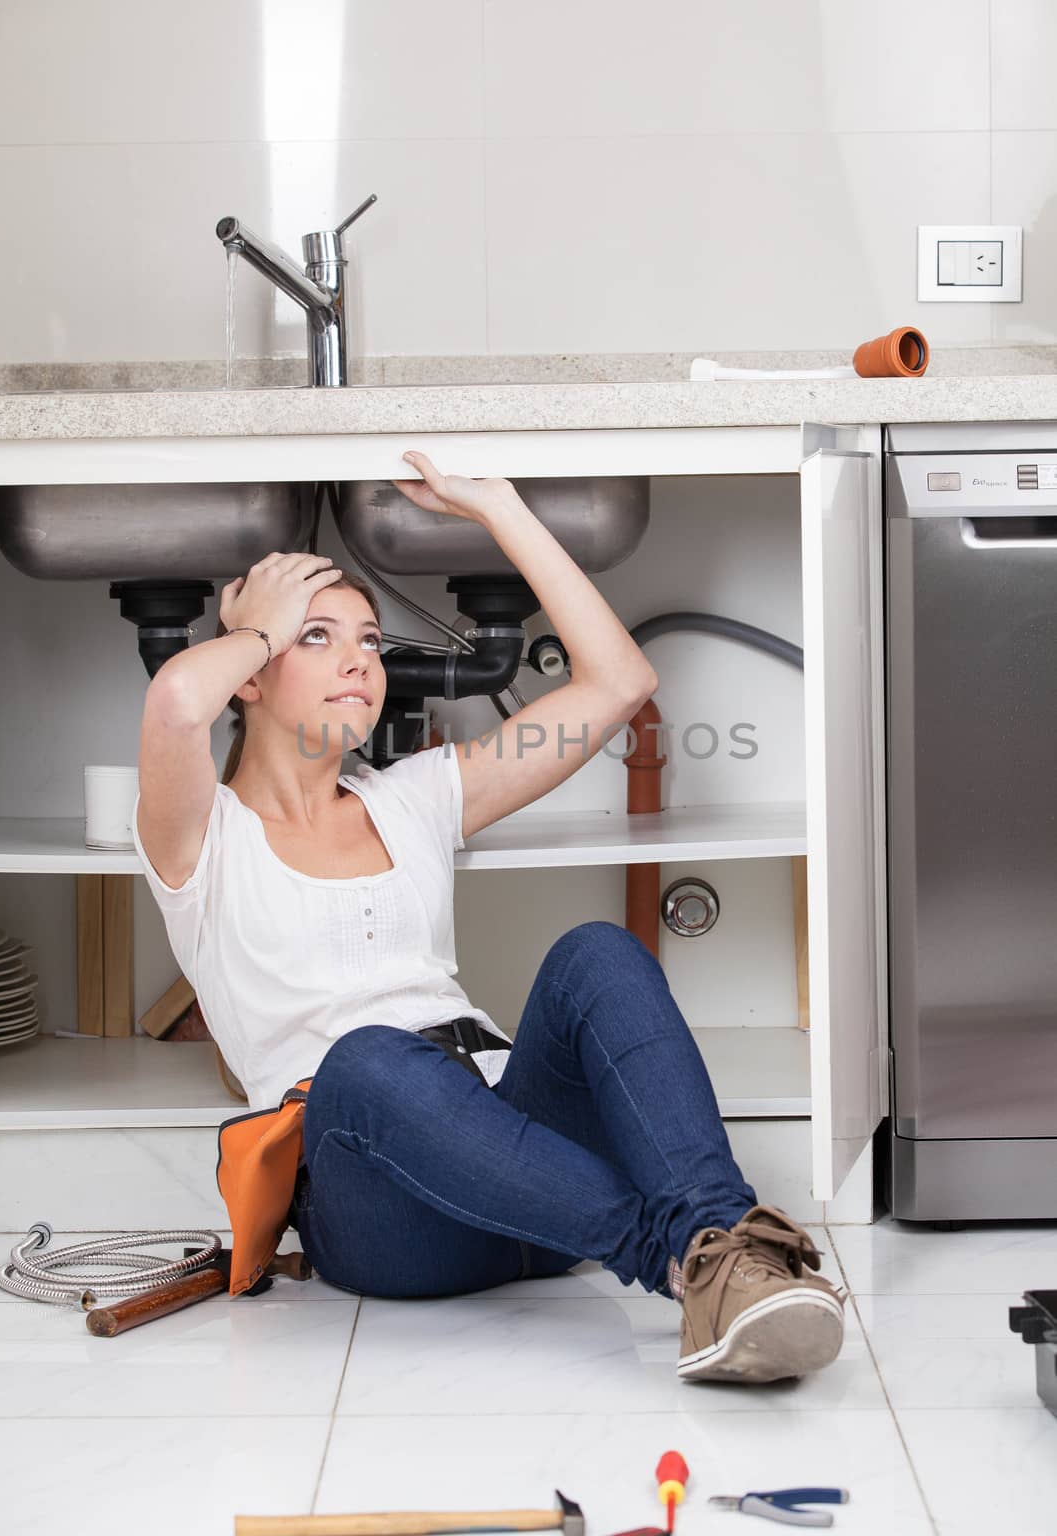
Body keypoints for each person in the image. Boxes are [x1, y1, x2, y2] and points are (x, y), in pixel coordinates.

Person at [132, 449, 847, 1385]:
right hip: (381, 1209)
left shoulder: (415, 797)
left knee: (597, 952)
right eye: (317, 638)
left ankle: (720, 1250)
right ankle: (679, 1259)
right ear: (254, 673)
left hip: (526, 1173)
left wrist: (501, 509)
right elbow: (180, 702)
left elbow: (617, 683)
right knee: (371, 1057)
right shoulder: (199, 841)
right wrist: (256, 626)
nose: (359, 658)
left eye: (369, 640)